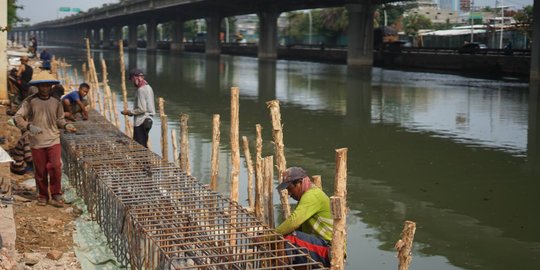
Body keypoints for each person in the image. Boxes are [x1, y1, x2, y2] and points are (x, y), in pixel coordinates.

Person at [12, 71, 77, 207]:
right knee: (40, 170)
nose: (45, 88)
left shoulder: (56, 102)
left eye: (47, 86)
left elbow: (59, 120)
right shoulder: (30, 101)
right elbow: (17, 117)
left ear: (51, 87)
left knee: (55, 167)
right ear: (38, 87)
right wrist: (29, 126)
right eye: (42, 86)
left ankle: (56, 195)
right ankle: (42, 195)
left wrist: (66, 125)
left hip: (53, 139)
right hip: (36, 141)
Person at [275, 167, 334, 267]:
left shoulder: (312, 195)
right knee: (286, 237)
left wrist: (269, 236)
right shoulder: (306, 197)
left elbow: (293, 222)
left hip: (329, 250)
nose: (289, 193)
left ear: (300, 182)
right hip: (318, 245)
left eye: (290, 189)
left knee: (291, 238)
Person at [121, 68, 155, 148]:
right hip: (149, 120)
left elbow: (142, 109)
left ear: (135, 78)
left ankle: (144, 161)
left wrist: (129, 112)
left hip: (141, 121)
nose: (132, 82)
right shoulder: (148, 87)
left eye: (132, 79)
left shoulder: (141, 90)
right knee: (143, 144)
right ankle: (145, 160)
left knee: (139, 146)